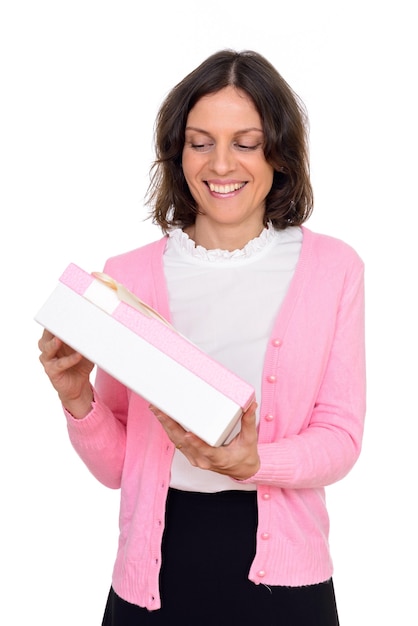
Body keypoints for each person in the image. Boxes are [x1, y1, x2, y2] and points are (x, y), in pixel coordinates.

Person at [38, 49, 366, 625]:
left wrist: (251, 462)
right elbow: (119, 467)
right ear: (178, 151)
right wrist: (77, 400)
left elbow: (340, 438)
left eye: (245, 141)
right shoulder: (129, 274)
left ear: (279, 154)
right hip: (153, 578)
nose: (221, 164)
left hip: (285, 584)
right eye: (199, 141)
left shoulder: (332, 268)